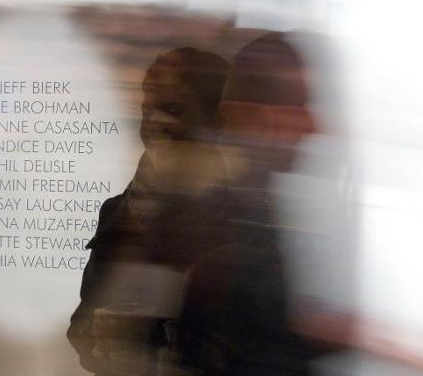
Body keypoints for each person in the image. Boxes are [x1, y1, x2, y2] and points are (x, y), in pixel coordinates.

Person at [68, 47, 231, 376]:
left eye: (173, 109)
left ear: (215, 118)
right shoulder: (118, 210)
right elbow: (80, 330)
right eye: (147, 110)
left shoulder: (238, 214)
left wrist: (154, 334)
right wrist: (98, 336)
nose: (154, 123)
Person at [176, 32, 322, 376]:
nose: (312, 126)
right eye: (297, 106)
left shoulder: (265, 210)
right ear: (250, 117)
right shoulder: (221, 224)